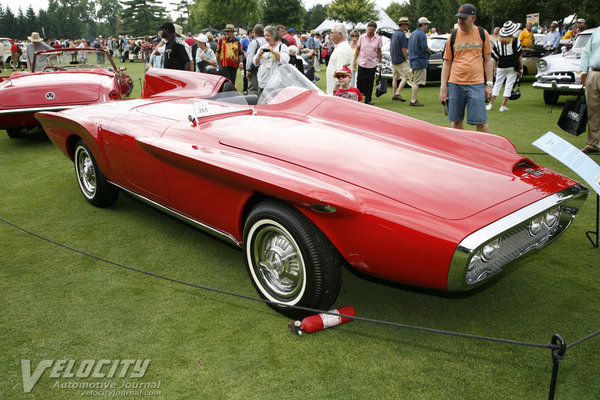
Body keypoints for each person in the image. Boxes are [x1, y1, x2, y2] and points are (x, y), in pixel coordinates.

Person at [439, 3, 493, 133]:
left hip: (476, 84)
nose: (460, 21)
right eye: (459, 18)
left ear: (473, 18)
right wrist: (443, 87)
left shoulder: (482, 33)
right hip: (455, 84)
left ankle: (486, 151)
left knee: (481, 122)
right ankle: (459, 151)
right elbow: (447, 63)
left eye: (463, 18)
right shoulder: (452, 36)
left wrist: (489, 84)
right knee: (456, 121)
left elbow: (487, 60)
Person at [487, 21, 522, 112]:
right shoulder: (515, 41)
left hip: (501, 65)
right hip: (512, 65)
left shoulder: (498, 42)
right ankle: (502, 106)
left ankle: (490, 104)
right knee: (509, 85)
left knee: (497, 84)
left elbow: (495, 57)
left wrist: (495, 68)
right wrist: (521, 68)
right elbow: (519, 56)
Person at [580, 27, 600, 154]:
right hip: (594, 73)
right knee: (593, 111)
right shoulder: (597, 31)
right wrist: (584, 71)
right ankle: (593, 143)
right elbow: (587, 52)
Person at [253, 25, 290, 94]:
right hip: (263, 81)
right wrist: (259, 55)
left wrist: (273, 51)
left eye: (268, 36)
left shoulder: (282, 46)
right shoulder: (262, 47)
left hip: (276, 82)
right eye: (265, 36)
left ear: (274, 36)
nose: (266, 38)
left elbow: (284, 60)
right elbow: (255, 62)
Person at [353, 20, 382, 105]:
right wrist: (354, 60)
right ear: (367, 27)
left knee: (370, 82)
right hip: (362, 62)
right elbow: (358, 49)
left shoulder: (378, 39)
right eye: (370, 26)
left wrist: (380, 63)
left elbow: (379, 52)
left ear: (375, 28)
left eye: (373, 27)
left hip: (372, 63)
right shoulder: (362, 37)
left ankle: (368, 99)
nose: (371, 28)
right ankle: (359, 96)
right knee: (360, 80)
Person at [408, 17, 431, 106]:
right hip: (420, 60)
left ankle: (413, 99)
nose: (427, 26)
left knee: (415, 80)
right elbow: (424, 47)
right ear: (423, 25)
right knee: (417, 82)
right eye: (426, 24)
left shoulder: (413, 33)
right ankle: (413, 100)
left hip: (413, 59)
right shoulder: (422, 34)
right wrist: (429, 50)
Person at [325, 23, 353, 95]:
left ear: (339, 34)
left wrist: (336, 90)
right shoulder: (340, 47)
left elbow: (341, 71)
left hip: (338, 92)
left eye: (332, 32)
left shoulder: (343, 49)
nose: (330, 35)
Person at [390, 17, 410, 102]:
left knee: (395, 77)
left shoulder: (394, 34)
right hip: (400, 59)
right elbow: (404, 49)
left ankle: (394, 94)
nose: (407, 26)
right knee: (405, 76)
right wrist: (406, 58)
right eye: (406, 24)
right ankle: (398, 93)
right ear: (403, 25)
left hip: (394, 58)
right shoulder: (402, 35)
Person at [246, 24, 266, 96]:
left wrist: (248, 70)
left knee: (252, 90)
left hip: (255, 69)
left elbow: (250, 58)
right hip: (266, 68)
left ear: (254, 32)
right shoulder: (267, 42)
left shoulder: (254, 43)